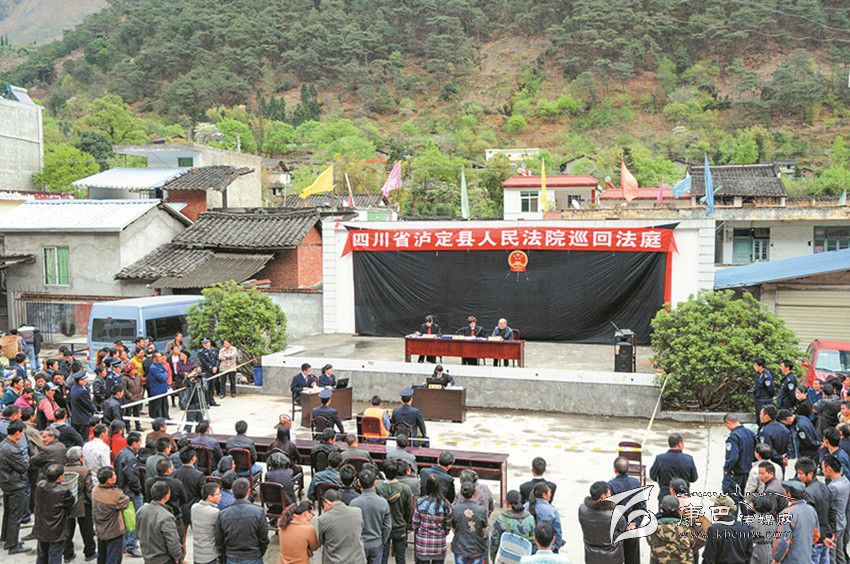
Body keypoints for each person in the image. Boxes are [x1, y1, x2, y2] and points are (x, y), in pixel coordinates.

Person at [215, 478, 268, 563]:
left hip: (232, 557)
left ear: (232, 492)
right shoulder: (259, 512)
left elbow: (219, 541)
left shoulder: (223, 514)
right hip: (253, 557)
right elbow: (264, 539)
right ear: (249, 491)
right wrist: (258, 553)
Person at [0, 420, 31, 555]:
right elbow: (23, 466)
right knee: (15, 516)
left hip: (7, 482)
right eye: (22, 432)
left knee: (8, 513)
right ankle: (13, 545)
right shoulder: (12, 449)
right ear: (17, 432)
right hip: (15, 484)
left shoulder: (4, 444)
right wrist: (27, 459)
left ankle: (7, 539)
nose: (22, 435)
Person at [33, 463, 73, 564]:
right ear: (60, 477)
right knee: (55, 554)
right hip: (56, 529)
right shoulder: (63, 491)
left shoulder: (39, 485)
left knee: (42, 554)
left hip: (41, 527)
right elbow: (70, 505)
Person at [137, 481, 184, 564]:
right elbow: (173, 542)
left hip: (148, 557)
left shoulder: (141, 511)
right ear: (167, 495)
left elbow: (138, 532)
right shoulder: (166, 517)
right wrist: (179, 557)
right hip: (164, 559)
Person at [350, 469, 392, 564]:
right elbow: (387, 527)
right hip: (376, 543)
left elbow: (351, 527)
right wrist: (381, 541)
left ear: (359, 483)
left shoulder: (353, 503)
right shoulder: (383, 503)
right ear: (374, 483)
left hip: (360, 544)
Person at [795, 457, 832, 564]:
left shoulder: (807, 493)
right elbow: (832, 511)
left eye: (800, 473)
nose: (798, 476)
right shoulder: (825, 487)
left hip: (815, 538)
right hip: (826, 535)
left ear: (810, 474)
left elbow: (809, 519)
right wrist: (831, 532)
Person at [63, 446, 97, 563]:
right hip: (83, 505)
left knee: (67, 531)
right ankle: (90, 552)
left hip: (66, 505)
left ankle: (68, 554)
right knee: (87, 530)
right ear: (80, 457)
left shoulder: (62, 470)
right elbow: (89, 490)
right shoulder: (84, 471)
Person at [376, 460, 413, 564]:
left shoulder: (378, 487)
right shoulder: (405, 489)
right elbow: (409, 510)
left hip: (383, 526)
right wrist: (406, 522)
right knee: (400, 557)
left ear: (384, 472)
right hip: (399, 526)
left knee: (383, 556)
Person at [773, 480, 819, 563]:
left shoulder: (786, 514)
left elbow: (782, 542)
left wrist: (776, 559)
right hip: (806, 558)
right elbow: (816, 535)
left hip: (790, 559)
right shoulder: (811, 510)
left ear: (789, 494)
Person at [91, 466, 130, 564]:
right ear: (109, 480)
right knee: (114, 557)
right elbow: (126, 501)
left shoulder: (95, 490)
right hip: (113, 531)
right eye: (114, 475)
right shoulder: (115, 494)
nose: (116, 476)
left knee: (102, 556)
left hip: (100, 529)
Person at [578, 481, 624, 562]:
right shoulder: (614, 514)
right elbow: (622, 527)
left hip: (591, 555)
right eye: (609, 493)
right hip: (612, 556)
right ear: (603, 496)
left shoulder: (582, 509)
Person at [317, 489, 366, 564]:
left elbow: (321, 541)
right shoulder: (357, 512)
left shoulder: (323, 519)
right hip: (357, 560)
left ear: (326, 502)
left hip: (334, 561)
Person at [608, 457, 642, 564]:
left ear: (614, 470)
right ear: (628, 469)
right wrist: (635, 523)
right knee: (633, 559)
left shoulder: (610, 485)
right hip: (632, 528)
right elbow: (641, 507)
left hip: (617, 529)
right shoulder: (636, 483)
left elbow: (610, 510)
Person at [114, 432, 143, 557]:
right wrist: (138, 490)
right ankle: (131, 545)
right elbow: (132, 477)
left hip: (122, 490)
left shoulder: (121, 453)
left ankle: (125, 543)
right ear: (134, 443)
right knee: (132, 519)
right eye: (140, 442)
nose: (141, 444)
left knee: (126, 518)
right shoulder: (130, 458)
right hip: (130, 493)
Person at [412, 474, 452, 564]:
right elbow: (448, 526)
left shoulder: (420, 502)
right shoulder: (446, 504)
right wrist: (443, 533)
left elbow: (415, 524)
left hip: (423, 545)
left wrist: (420, 532)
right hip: (439, 545)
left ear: (427, 486)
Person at [648, 433, 698, 503]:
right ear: (679, 444)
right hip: (683, 497)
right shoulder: (689, 459)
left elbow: (652, 476)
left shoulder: (660, 458)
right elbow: (694, 478)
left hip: (665, 496)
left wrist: (662, 482)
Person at [702, 495, 752, 564]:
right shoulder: (744, 527)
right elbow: (749, 554)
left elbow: (709, 558)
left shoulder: (715, 529)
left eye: (715, 506)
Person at [489, 490, 535, 563]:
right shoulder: (530, 518)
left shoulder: (501, 519)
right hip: (523, 559)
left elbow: (494, 542)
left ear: (507, 503)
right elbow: (533, 542)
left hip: (505, 559)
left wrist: (494, 559)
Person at [645, 495, 693, 564]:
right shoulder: (686, 526)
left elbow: (649, 541)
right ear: (678, 509)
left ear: (661, 507)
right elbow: (692, 542)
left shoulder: (652, 526)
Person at [450, 481, 488, 564]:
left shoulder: (455, 509)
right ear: (475, 493)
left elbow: (453, 528)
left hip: (460, 547)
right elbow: (484, 532)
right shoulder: (481, 510)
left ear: (461, 493)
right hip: (476, 548)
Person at [722, 413, 756, 501]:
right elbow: (756, 452)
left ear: (728, 423)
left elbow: (733, 457)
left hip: (736, 474)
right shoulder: (751, 433)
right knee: (745, 499)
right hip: (748, 472)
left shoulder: (733, 437)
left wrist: (727, 469)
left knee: (732, 500)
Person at [824, 454, 850, 564]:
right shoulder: (845, 480)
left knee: (831, 556)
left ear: (829, 469)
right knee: (840, 554)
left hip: (835, 525)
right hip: (842, 521)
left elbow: (827, 506)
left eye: (823, 468)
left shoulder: (833, 487)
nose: (822, 471)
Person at [171, 448, 205, 533]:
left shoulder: (174, 473)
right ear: (193, 459)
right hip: (194, 509)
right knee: (198, 535)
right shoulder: (198, 475)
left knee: (182, 536)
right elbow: (202, 493)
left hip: (179, 509)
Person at [191, 482, 221, 564]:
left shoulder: (194, 507)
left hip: (197, 554)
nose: (220, 496)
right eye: (218, 494)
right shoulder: (214, 512)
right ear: (210, 497)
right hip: (210, 555)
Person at [757, 405, 791, 473]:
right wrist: (785, 457)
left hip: (770, 465)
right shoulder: (784, 428)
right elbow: (789, 445)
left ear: (767, 416)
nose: (760, 416)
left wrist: (780, 458)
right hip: (781, 464)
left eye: (761, 414)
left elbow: (767, 449)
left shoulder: (765, 430)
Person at [70, 372, 96, 440]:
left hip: (75, 418)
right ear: (80, 380)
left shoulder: (74, 388)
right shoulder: (82, 391)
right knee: (84, 439)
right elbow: (88, 404)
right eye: (85, 379)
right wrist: (94, 409)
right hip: (83, 419)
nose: (86, 380)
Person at [147, 352, 170, 420]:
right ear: (155, 358)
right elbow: (161, 378)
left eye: (161, 356)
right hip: (157, 390)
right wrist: (165, 375)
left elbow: (166, 373)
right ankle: (159, 420)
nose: (161, 358)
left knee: (165, 406)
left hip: (163, 389)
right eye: (159, 357)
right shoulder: (153, 367)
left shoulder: (160, 365)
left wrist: (165, 375)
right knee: (158, 407)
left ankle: (166, 417)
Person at [121, 364, 143, 433]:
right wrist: (130, 395)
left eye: (136, 369)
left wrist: (141, 393)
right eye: (133, 369)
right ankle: (128, 428)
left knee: (137, 413)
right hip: (129, 400)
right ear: (129, 371)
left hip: (137, 398)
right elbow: (124, 389)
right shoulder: (124, 378)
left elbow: (141, 385)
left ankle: (138, 426)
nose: (135, 371)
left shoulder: (137, 377)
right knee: (128, 414)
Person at [197, 339, 220, 405]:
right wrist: (211, 368)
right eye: (204, 343)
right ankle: (207, 402)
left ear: (209, 343)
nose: (205, 344)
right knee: (207, 386)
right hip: (206, 371)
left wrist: (216, 367)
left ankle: (212, 400)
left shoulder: (214, 350)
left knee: (212, 386)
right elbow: (204, 362)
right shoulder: (201, 352)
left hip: (214, 371)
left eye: (206, 343)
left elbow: (217, 359)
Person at [753, 357, 776, 422]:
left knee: (763, 420)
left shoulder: (766, 376)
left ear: (760, 366)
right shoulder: (759, 375)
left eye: (755, 365)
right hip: (759, 399)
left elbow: (770, 389)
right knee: (758, 419)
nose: (754, 367)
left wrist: (771, 397)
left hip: (764, 400)